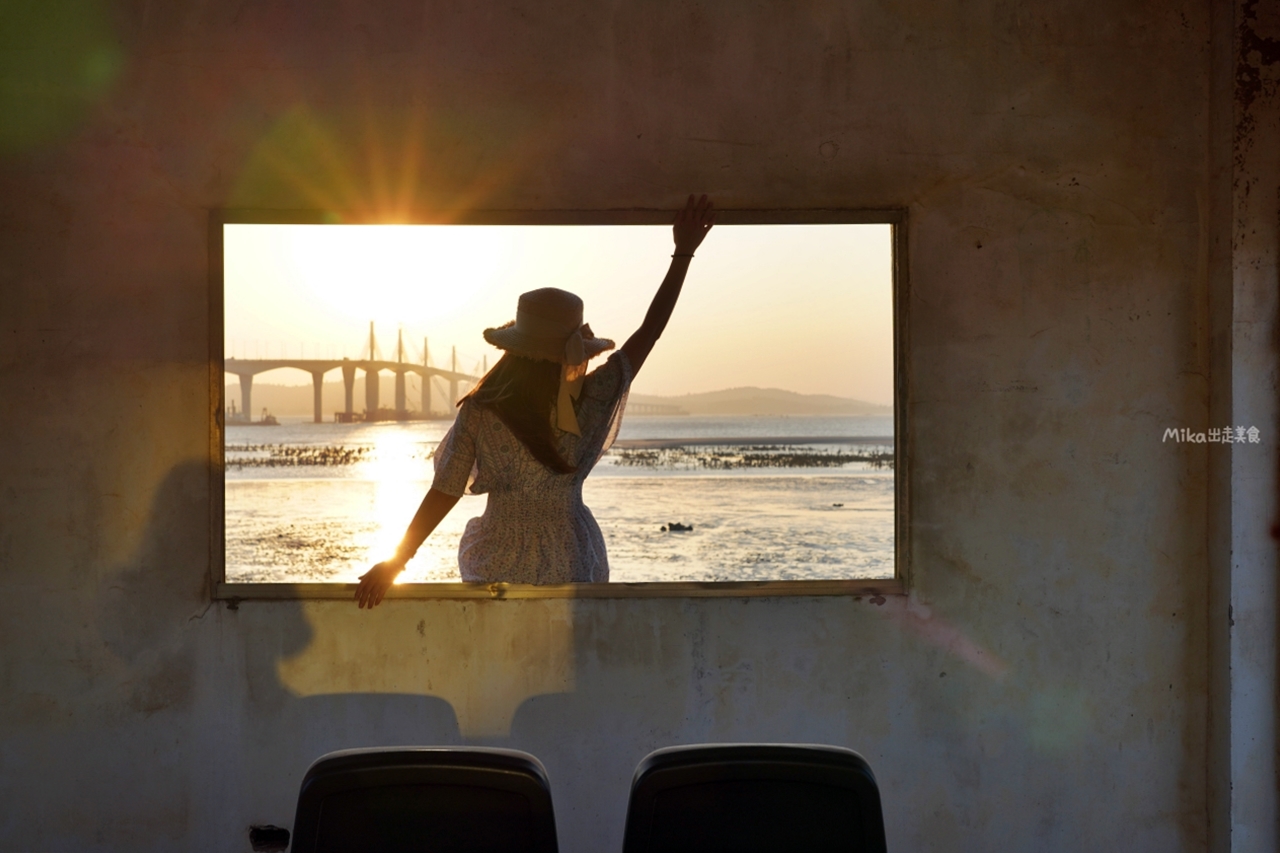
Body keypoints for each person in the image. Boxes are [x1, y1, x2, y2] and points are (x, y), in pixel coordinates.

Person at [355, 195, 715, 608]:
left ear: (515, 346)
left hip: (499, 558)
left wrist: (396, 561)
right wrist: (683, 253)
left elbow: (445, 490)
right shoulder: (592, 398)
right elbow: (649, 332)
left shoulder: (481, 407)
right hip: (571, 555)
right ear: (572, 348)